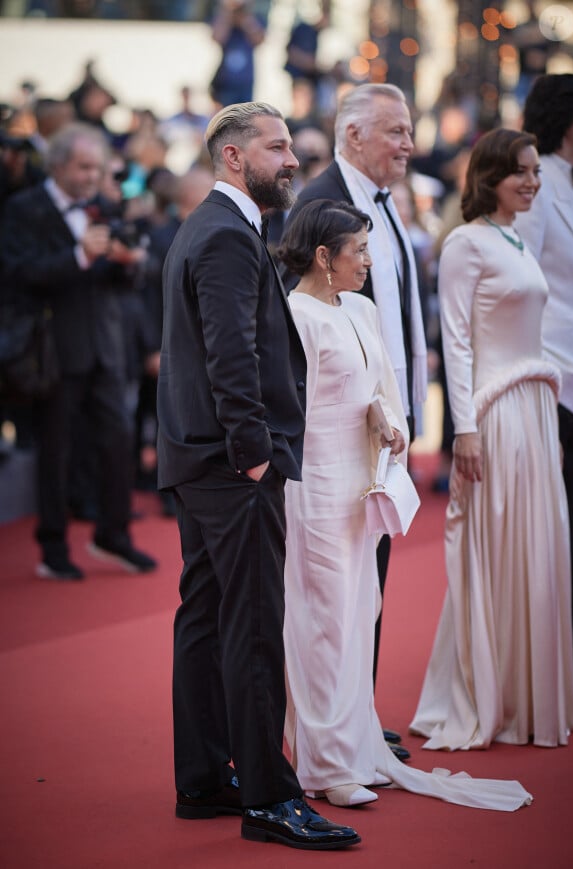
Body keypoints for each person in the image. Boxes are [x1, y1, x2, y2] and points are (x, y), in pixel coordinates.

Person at [278, 197, 533, 814]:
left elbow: (373, 389)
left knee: (361, 611)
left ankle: (357, 746)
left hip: (361, 483)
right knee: (323, 622)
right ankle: (324, 764)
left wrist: (386, 421)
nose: (369, 261)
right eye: (358, 251)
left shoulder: (360, 307)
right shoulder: (293, 314)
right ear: (323, 257)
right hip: (312, 482)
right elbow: (288, 404)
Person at [156, 102, 360, 851]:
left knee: (206, 618)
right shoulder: (223, 236)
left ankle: (206, 776)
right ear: (234, 157)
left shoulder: (214, 227)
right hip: (230, 462)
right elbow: (227, 354)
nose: (291, 158)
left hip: (199, 455)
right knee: (249, 627)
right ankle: (270, 798)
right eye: (276, 147)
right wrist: (253, 451)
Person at [409, 128, 573, 750]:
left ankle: (530, 697)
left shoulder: (515, 239)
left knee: (539, 547)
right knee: (499, 548)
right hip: (495, 416)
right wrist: (464, 431)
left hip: (534, 412)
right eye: (521, 173)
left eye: (536, 171)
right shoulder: (466, 243)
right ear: (491, 177)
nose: (533, 181)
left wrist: (550, 416)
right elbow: (454, 342)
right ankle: (491, 694)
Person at [282, 82, 428, 753]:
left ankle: (355, 718)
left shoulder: (384, 202)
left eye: (408, 131)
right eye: (395, 131)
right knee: (328, 601)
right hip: (321, 452)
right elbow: (293, 348)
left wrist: (398, 412)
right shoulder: (317, 206)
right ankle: (333, 733)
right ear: (353, 135)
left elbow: (392, 316)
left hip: (377, 434)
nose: (408, 144)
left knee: (366, 589)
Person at [0, 122, 157, 579]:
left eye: (97, 168)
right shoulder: (23, 209)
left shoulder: (103, 209)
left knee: (118, 443)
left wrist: (129, 265)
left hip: (105, 347)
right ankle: (53, 548)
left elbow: (123, 282)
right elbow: (16, 273)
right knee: (57, 451)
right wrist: (79, 258)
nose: (92, 176)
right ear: (58, 165)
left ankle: (114, 536)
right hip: (53, 350)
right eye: (83, 167)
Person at [514, 74, 573, 697]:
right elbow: (523, 284)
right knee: (565, 527)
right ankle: (562, 665)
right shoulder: (539, 185)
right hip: (555, 378)